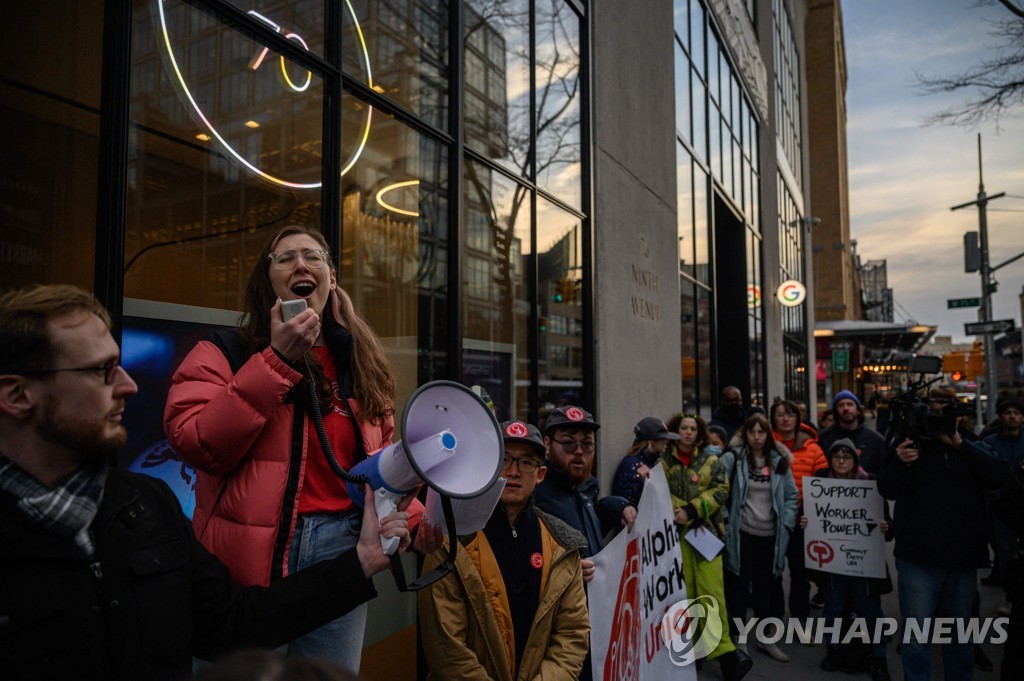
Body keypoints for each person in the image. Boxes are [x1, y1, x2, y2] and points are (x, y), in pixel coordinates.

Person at [0, 284, 411, 681]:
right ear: (18, 396)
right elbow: (203, 439)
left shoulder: (146, 506)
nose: (128, 385)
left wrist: (360, 562)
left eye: (119, 365)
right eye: (102, 371)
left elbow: (231, 623)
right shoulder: (226, 352)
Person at [164, 226, 422, 671]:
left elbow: (380, 460)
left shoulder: (359, 365)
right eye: (284, 259)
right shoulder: (224, 352)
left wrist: (416, 522)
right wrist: (276, 360)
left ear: (332, 279)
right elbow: (197, 444)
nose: (300, 265)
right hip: (250, 558)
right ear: (268, 282)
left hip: (343, 553)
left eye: (313, 256)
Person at [418, 420, 590, 680]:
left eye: (526, 462)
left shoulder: (562, 544)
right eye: (504, 460)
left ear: (540, 474)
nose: (513, 471)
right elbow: (446, 645)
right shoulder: (450, 540)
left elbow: (572, 635)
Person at [878, 395, 1010, 681]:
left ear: (959, 417)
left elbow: (999, 475)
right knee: (916, 638)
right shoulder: (908, 445)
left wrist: (960, 445)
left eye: (944, 415)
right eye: (932, 415)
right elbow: (886, 487)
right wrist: (900, 463)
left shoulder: (972, 444)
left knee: (960, 635)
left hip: (963, 557)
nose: (938, 421)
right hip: (918, 556)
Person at [533, 405, 635, 681]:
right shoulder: (535, 496)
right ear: (547, 445)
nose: (579, 451)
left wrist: (616, 506)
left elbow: (585, 529)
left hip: (593, 630)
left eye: (587, 444)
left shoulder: (584, 490)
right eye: (568, 443)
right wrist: (567, 569)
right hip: (557, 639)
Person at [663, 413, 752, 681]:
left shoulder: (711, 461)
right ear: (676, 432)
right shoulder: (662, 461)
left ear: (699, 432)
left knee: (712, 593)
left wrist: (691, 509)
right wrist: (676, 508)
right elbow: (658, 493)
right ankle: (691, 649)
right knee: (683, 593)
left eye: (692, 428)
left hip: (705, 534)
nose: (688, 432)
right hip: (675, 537)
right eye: (683, 428)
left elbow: (721, 490)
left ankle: (724, 652)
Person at [801, 438, 892, 681]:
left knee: (872, 611)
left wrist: (885, 526)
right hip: (833, 565)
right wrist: (805, 523)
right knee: (833, 608)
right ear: (830, 460)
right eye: (837, 456)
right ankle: (833, 650)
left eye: (847, 456)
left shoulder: (870, 483)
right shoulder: (819, 484)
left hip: (864, 563)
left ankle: (879, 656)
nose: (841, 460)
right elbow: (807, 517)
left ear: (855, 460)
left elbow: (888, 524)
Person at [720, 414, 798, 663]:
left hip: (770, 536)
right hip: (742, 534)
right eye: (751, 432)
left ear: (768, 435)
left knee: (766, 588)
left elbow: (791, 497)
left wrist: (786, 522)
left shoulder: (779, 462)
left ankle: (766, 639)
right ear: (745, 434)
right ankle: (739, 639)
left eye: (761, 432)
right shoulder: (735, 459)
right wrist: (724, 520)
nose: (756, 437)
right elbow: (719, 488)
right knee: (740, 588)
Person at [770, 399, 826, 627]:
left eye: (790, 414)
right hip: (770, 516)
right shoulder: (766, 445)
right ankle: (772, 620)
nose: (785, 419)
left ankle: (800, 621)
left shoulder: (813, 449)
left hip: (802, 518)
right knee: (772, 572)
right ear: (773, 418)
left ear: (797, 419)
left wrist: (810, 513)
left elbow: (823, 486)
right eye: (780, 414)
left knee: (800, 575)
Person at [983, 397, 1024, 587]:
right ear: (1001, 417)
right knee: (1005, 549)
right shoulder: (990, 442)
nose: (1013, 417)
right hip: (1000, 505)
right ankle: (1011, 593)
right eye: (1008, 413)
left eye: (1016, 413)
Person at [611, 416, 680, 506]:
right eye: (663, 438)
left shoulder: (654, 461)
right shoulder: (632, 465)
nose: (666, 442)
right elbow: (629, 504)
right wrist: (646, 483)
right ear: (652, 441)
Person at [818, 390, 888, 474]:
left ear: (858, 410)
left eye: (850, 404)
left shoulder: (875, 440)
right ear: (836, 411)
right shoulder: (823, 438)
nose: (845, 408)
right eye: (841, 405)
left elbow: (885, 471)